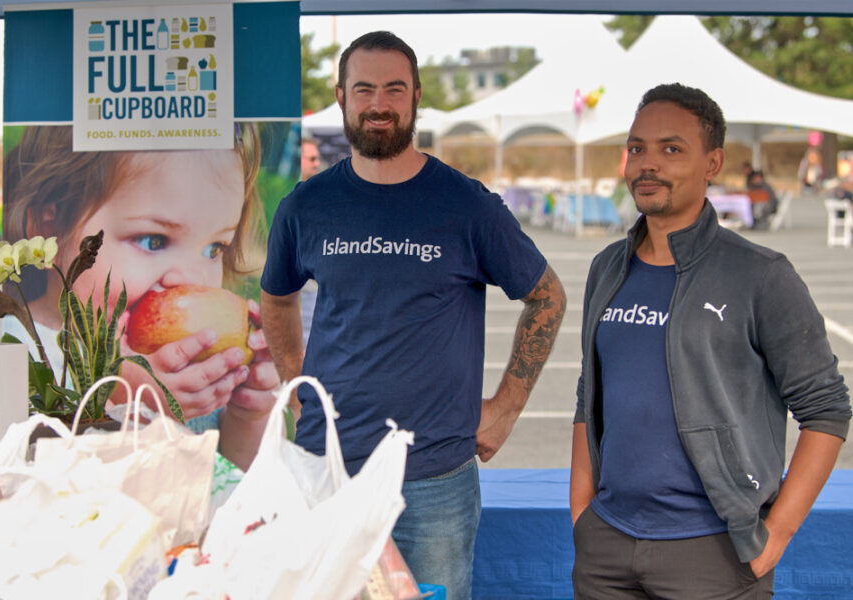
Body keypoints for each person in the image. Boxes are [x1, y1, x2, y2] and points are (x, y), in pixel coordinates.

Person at [260, 31, 566, 599]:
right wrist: (294, 384)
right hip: (325, 466)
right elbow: (276, 298)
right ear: (341, 97)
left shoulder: (466, 205)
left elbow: (547, 296)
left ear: (416, 97)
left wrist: (506, 408)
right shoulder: (306, 205)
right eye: (364, 89)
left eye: (394, 89)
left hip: (432, 480)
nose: (379, 104)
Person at [570, 83, 850, 599]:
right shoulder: (606, 268)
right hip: (607, 545)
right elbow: (590, 393)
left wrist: (776, 533)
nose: (648, 164)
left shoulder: (760, 274)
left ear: (713, 163)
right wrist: (582, 513)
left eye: (671, 149)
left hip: (715, 553)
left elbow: (826, 409)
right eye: (637, 148)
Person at [2, 124, 279, 469]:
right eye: (154, 241)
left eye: (214, 248)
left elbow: (232, 479)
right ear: (49, 232)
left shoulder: (197, 361)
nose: (192, 280)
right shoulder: (15, 355)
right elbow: (31, 485)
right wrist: (120, 407)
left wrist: (248, 416)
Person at [298, 136, 322, 346]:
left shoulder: (318, 195)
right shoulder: (288, 197)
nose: (317, 164)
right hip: (295, 289)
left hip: (312, 289)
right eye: (312, 159)